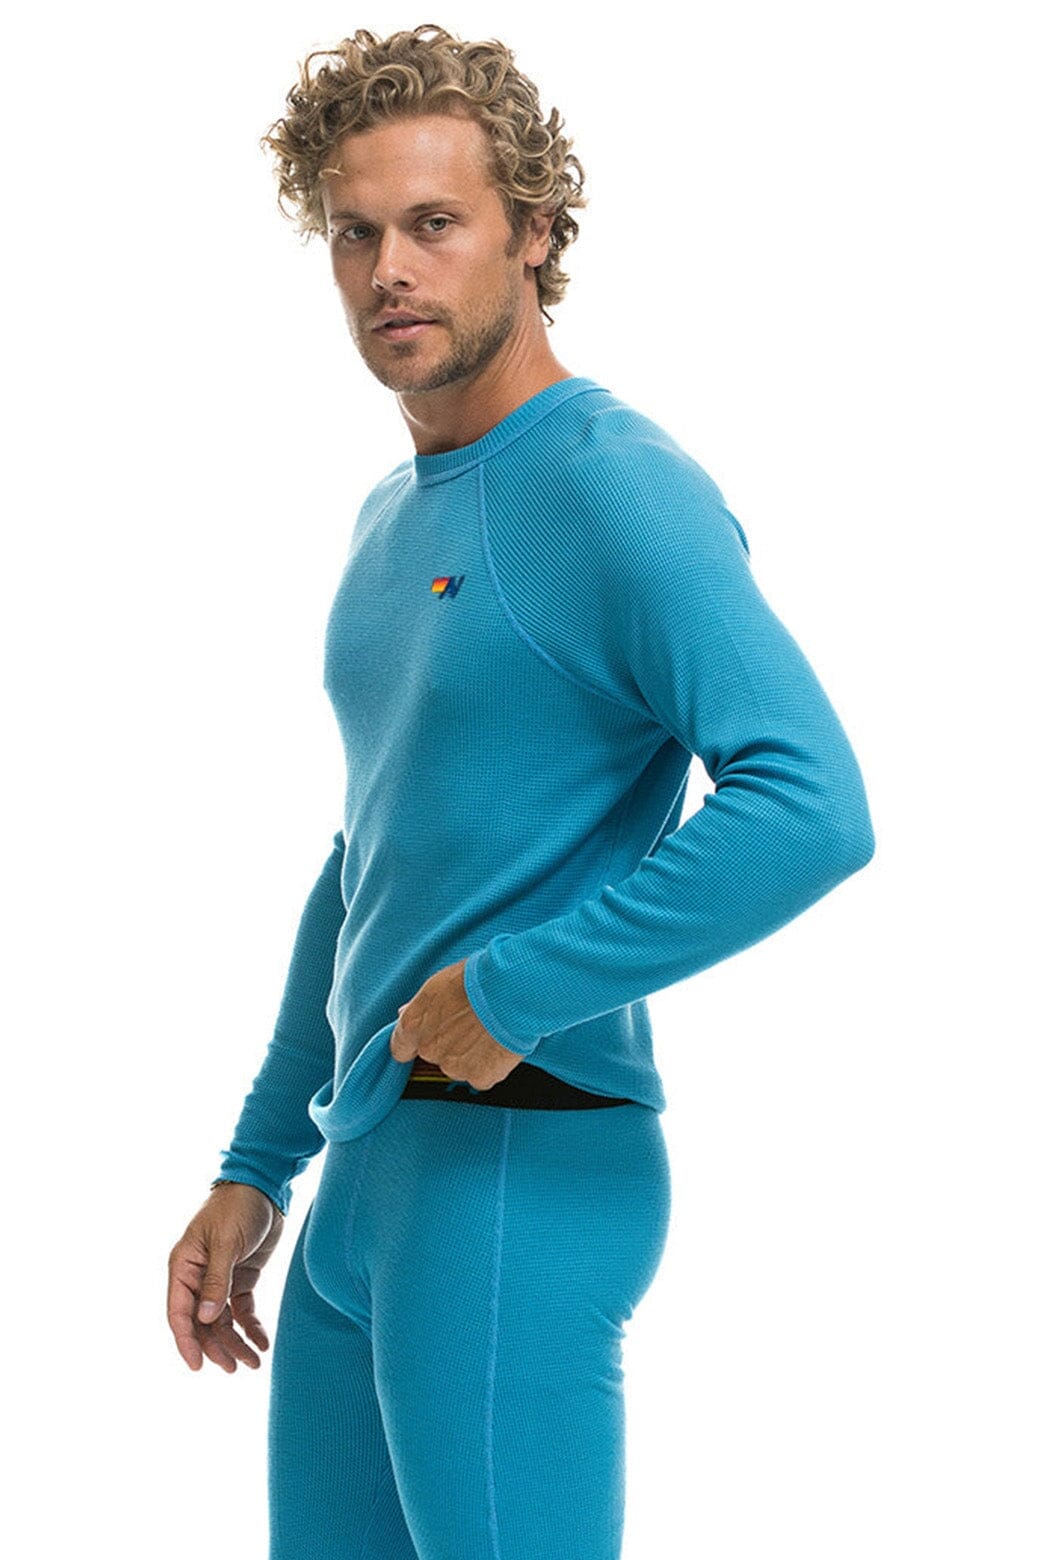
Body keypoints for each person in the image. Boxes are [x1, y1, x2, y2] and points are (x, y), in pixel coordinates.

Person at [166, 22, 875, 1559]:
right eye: (355, 233)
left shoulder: (612, 482)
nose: (389, 272)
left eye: (435, 223)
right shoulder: (390, 516)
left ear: (536, 232)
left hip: (519, 1163)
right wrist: (258, 1162)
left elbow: (810, 803)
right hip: (369, 1178)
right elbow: (369, 860)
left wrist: (514, 987)